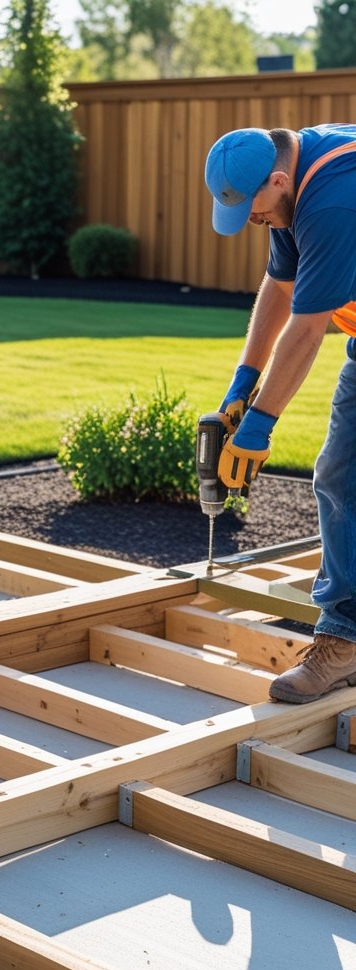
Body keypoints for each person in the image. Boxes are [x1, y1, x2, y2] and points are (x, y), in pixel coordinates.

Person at [204, 123, 356, 703]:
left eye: (255, 210)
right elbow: (279, 287)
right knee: (343, 476)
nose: (253, 221)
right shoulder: (290, 188)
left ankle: (342, 637)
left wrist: (261, 426)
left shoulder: (333, 196)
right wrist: (242, 385)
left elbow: (309, 326)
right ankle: (344, 642)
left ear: (277, 179)